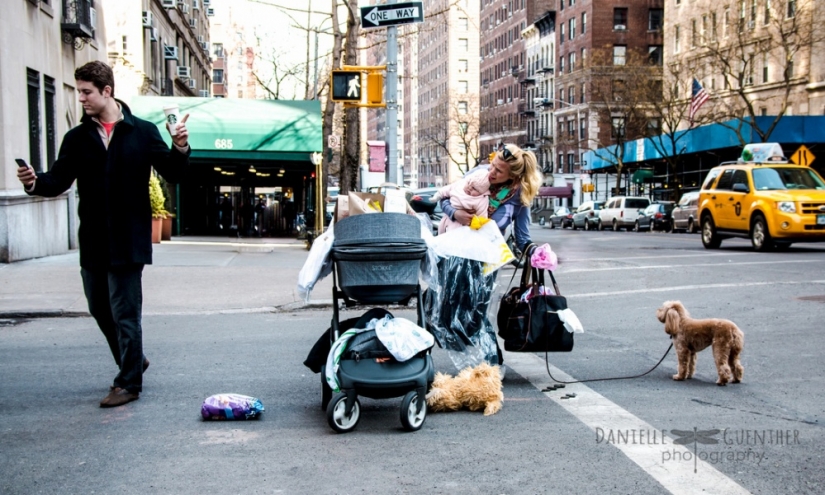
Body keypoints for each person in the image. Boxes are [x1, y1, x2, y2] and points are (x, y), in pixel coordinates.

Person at [16, 61, 191, 408]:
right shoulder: (77, 138)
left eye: (86, 92)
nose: (80, 97)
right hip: (94, 240)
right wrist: (35, 182)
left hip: (129, 239)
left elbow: (173, 172)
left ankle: (128, 383)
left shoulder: (141, 132)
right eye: (79, 91)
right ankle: (134, 359)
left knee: (126, 313)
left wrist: (180, 147)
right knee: (100, 308)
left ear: (106, 91)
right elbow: (58, 180)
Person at [428, 143, 542, 366]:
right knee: (439, 308)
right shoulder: (478, 175)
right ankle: (422, 362)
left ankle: (490, 366)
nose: (492, 173)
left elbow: (522, 239)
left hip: (484, 260)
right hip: (453, 252)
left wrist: (536, 253)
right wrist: (456, 213)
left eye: (499, 171)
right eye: (492, 166)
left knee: (477, 313)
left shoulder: (519, 197)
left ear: (513, 176)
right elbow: (447, 196)